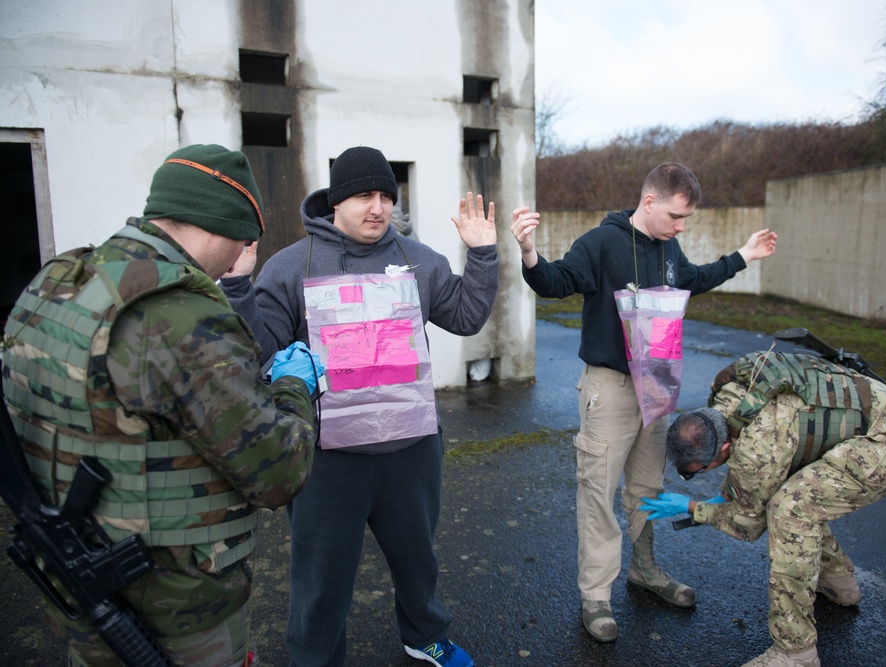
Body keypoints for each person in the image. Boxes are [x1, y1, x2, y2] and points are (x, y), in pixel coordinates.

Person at [0, 144, 322, 667]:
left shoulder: (60, 280)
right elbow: (278, 471)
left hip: (76, 580)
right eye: (244, 241)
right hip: (172, 610)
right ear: (222, 226)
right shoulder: (181, 315)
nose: (237, 260)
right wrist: (292, 385)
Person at [220, 145, 499, 667]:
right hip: (326, 456)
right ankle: (314, 657)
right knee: (321, 574)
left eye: (386, 197)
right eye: (364, 196)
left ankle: (424, 635)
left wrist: (481, 254)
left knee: (418, 562)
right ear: (335, 202)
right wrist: (237, 287)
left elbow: (465, 317)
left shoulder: (417, 260)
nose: (377, 208)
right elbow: (257, 353)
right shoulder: (291, 265)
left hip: (411, 449)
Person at [509, 162, 778, 642]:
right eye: (676, 217)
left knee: (646, 487)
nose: (680, 227)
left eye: (686, 221)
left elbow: (694, 278)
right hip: (609, 388)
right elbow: (555, 282)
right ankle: (596, 596)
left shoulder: (669, 247)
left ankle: (646, 569)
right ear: (649, 201)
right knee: (598, 494)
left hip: (656, 386)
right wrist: (529, 252)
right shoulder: (601, 242)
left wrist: (744, 255)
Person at [640, 349, 886, 667]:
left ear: (724, 447)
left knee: (791, 510)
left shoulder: (758, 449)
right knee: (802, 491)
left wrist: (694, 507)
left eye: (700, 469)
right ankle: (838, 582)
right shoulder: (725, 392)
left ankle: (796, 652)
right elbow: (754, 466)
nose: (698, 474)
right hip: (876, 411)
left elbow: (747, 524)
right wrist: (729, 495)